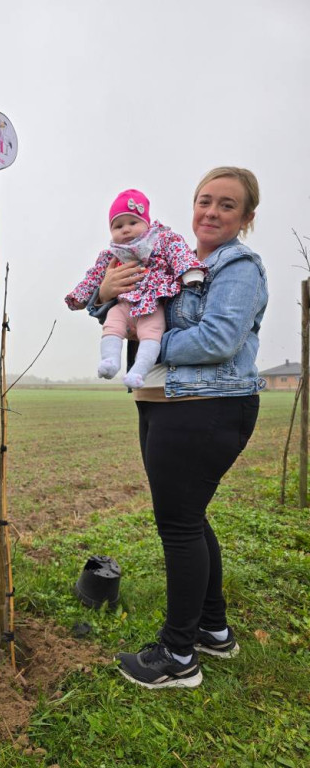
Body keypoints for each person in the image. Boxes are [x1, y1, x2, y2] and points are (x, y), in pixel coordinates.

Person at [93, 167, 268, 688]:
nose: (211, 212)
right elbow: (122, 308)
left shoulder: (238, 267)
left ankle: (178, 656)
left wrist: (144, 350)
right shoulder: (168, 258)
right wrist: (103, 292)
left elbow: (217, 339)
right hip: (163, 401)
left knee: (179, 524)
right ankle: (212, 631)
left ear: (247, 218)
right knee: (190, 516)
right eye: (204, 201)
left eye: (227, 205)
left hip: (207, 406)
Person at [65, 189, 205, 388]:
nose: (126, 230)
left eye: (133, 223)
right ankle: (110, 361)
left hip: (151, 305)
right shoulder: (110, 256)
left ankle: (139, 371)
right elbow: (93, 277)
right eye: (118, 226)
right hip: (123, 305)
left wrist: (190, 272)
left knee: (151, 333)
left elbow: (179, 253)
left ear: (147, 224)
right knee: (112, 324)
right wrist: (81, 298)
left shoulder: (162, 241)